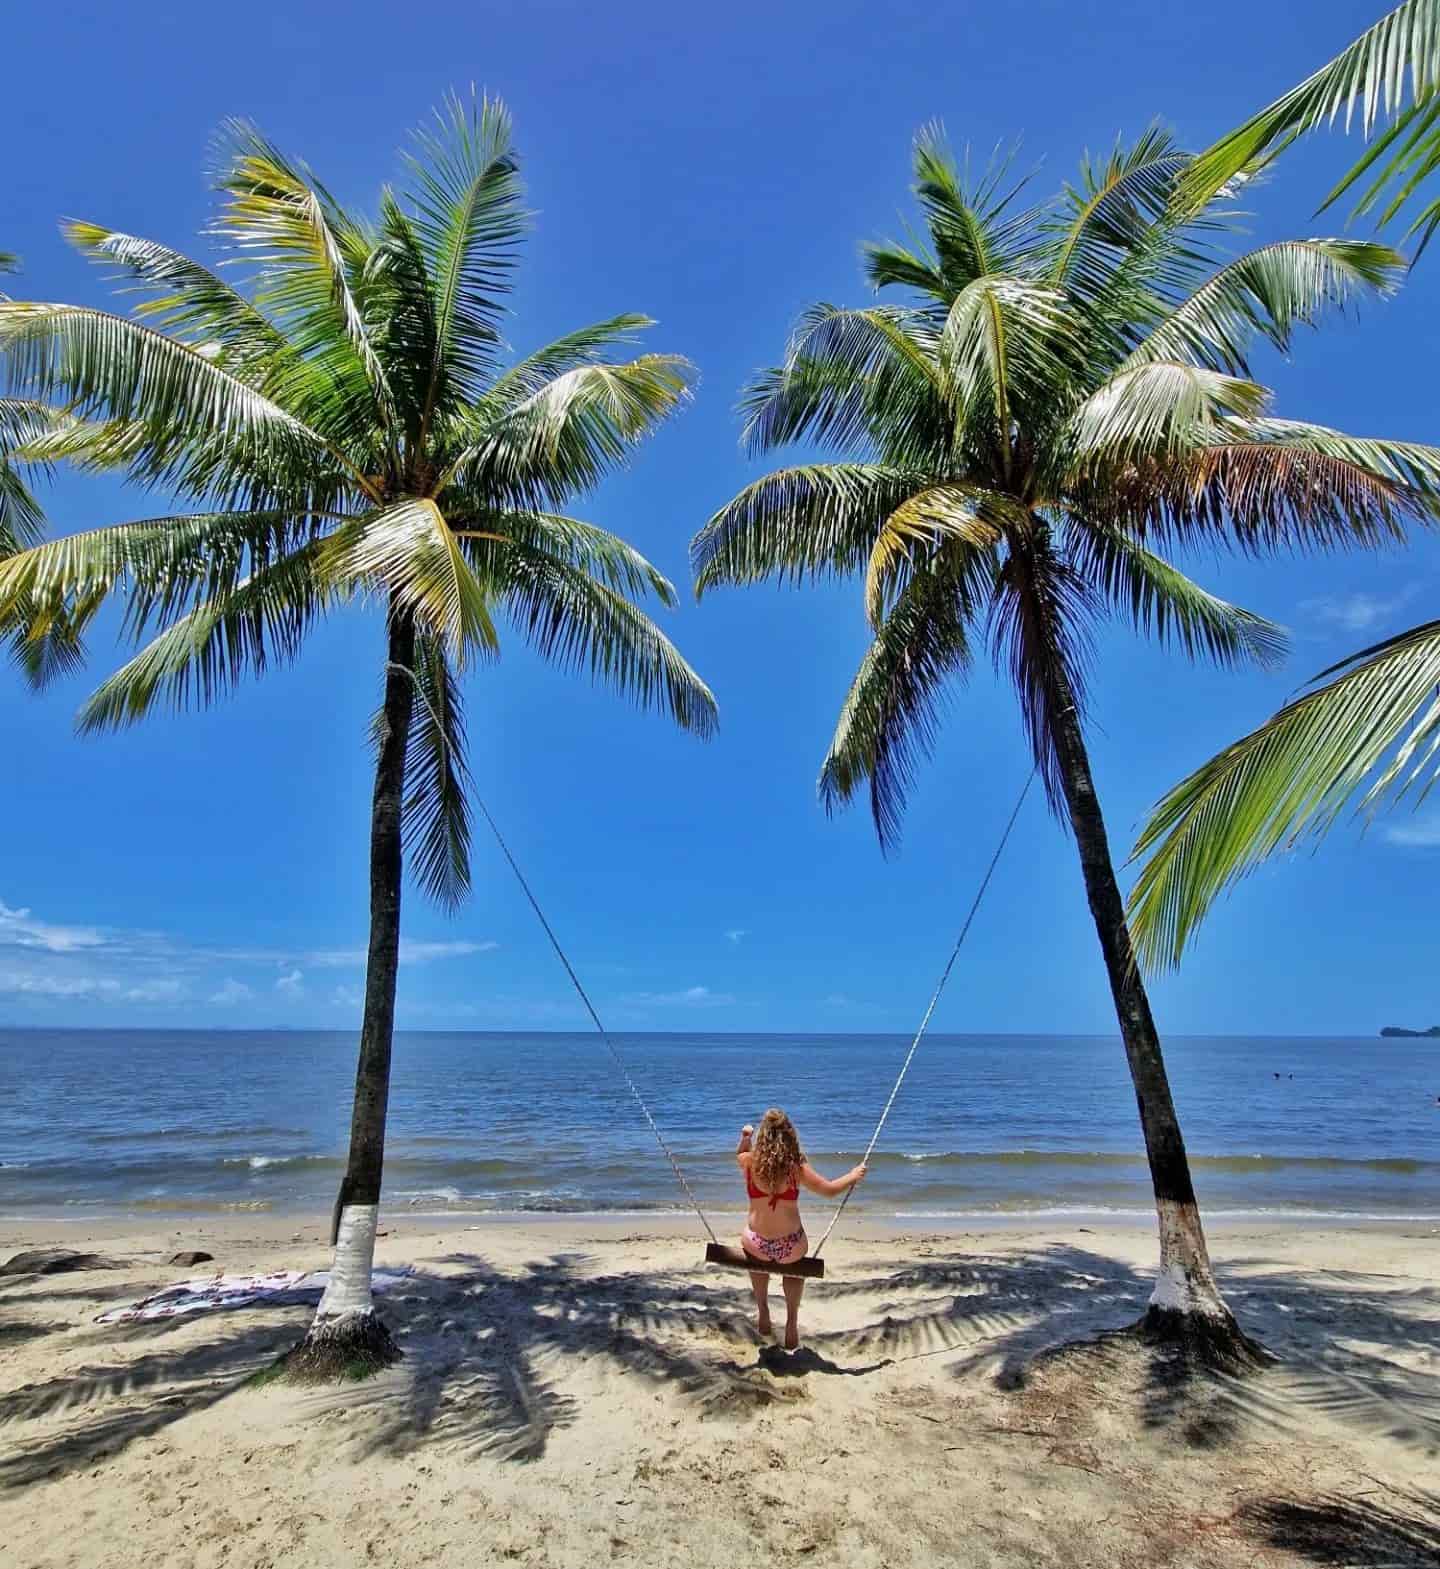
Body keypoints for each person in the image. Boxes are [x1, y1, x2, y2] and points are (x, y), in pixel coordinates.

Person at [736, 1108, 866, 1349]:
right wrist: (852, 1175)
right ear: (789, 1135)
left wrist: (745, 1137)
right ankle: (791, 1322)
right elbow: (828, 1190)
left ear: (763, 1135)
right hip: (790, 1247)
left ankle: (763, 1308)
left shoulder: (750, 1162)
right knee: (793, 1270)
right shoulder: (796, 1167)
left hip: (757, 1243)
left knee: (753, 1249)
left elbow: (741, 1152)